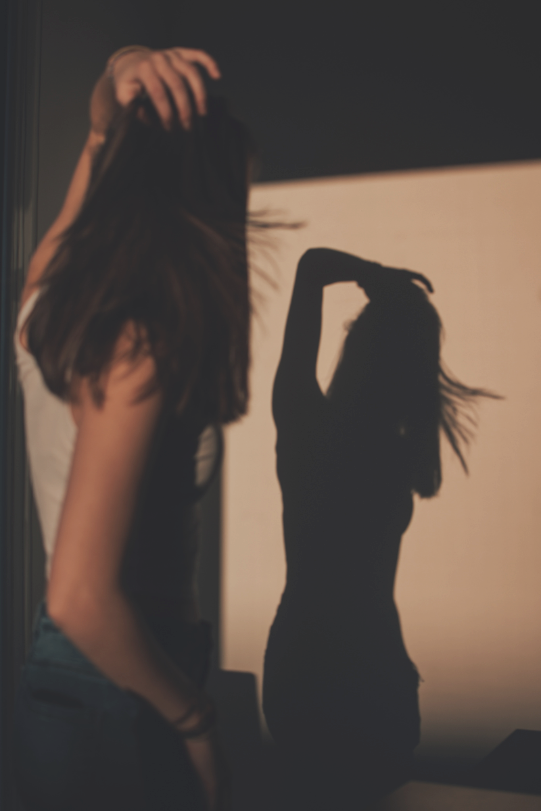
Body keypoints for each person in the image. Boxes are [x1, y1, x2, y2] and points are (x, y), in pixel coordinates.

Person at [12, 44, 254, 811]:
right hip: (121, 681)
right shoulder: (139, 336)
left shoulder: (50, 292)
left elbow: (97, 144)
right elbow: (80, 593)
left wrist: (120, 74)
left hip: (82, 681)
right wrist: (195, 719)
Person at [263, 248, 498, 810]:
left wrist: (376, 277)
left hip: (305, 657)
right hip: (376, 665)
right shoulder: (401, 453)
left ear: (355, 350)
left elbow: (312, 266)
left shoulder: (303, 422)